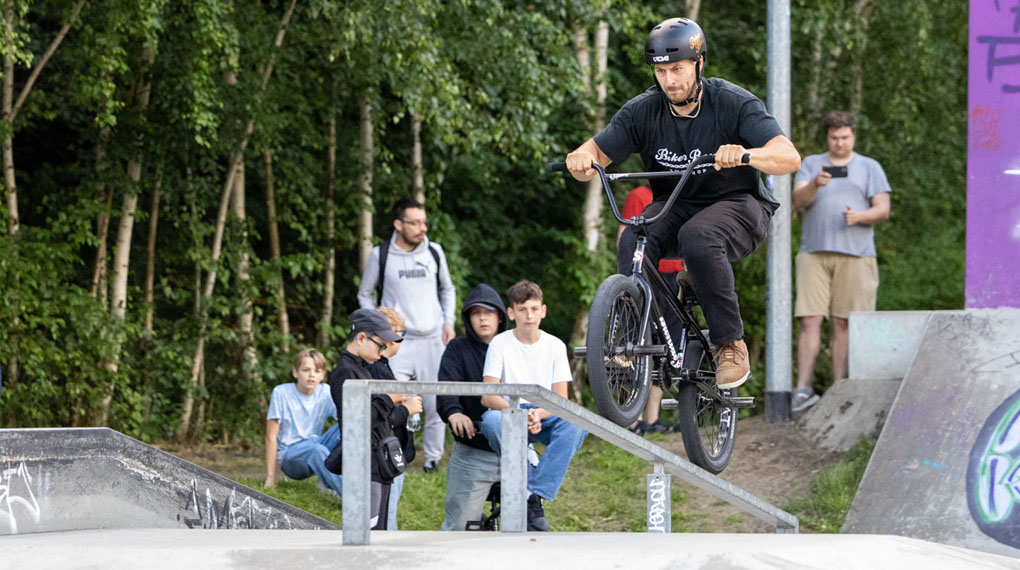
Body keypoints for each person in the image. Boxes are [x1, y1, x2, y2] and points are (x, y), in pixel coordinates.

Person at [564, 17, 801, 389]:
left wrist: (746, 155)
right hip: (675, 204)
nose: (669, 80)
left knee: (698, 236)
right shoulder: (643, 110)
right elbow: (594, 154)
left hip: (739, 205)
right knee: (633, 238)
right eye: (661, 71)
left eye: (677, 69)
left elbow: (789, 157)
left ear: (699, 63)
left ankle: (730, 344)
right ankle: (637, 341)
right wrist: (581, 158)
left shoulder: (733, 102)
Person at [791, 111, 891, 412]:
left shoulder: (869, 167)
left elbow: (883, 209)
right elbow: (798, 200)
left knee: (845, 322)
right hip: (814, 252)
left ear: (853, 136)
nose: (839, 143)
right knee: (809, 320)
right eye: (834, 137)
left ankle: (840, 389)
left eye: (845, 137)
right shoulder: (811, 163)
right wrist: (815, 185)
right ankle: (802, 390)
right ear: (828, 137)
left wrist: (859, 217)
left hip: (856, 254)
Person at [479, 280, 588, 532]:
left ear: (543, 311)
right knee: (492, 422)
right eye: (522, 310)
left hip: (545, 411)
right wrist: (520, 414)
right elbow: (488, 396)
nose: (529, 315)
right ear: (511, 313)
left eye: (534, 309)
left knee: (577, 424)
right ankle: (531, 498)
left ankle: (533, 491)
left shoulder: (555, 345)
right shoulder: (500, 343)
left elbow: (560, 398)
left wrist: (537, 413)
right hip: (508, 410)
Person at [357, 198, 456, 472]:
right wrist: (377, 326)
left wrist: (448, 321)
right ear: (398, 224)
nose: (422, 228)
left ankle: (433, 460)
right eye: (415, 223)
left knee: (434, 402)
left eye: (424, 222)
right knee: (393, 398)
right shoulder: (381, 254)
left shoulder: (434, 252)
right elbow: (364, 293)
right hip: (396, 342)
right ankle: (394, 453)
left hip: (433, 338)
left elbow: (448, 289)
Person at [328, 307, 412, 529]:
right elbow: (356, 420)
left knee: (379, 530)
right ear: (361, 338)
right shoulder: (347, 372)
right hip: (364, 464)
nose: (383, 351)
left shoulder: (362, 368)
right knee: (369, 529)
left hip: (378, 461)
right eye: (380, 345)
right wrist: (389, 399)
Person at [436, 283, 508, 531]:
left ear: (500, 317)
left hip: (516, 448)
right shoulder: (457, 348)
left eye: (488, 312)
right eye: (476, 313)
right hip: (473, 449)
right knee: (459, 527)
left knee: (529, 528)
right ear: (468, 318)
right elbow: (446, 385)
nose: (482, 318)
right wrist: (453, 412)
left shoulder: (515, 345)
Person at [619, 186, 685, 435]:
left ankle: (653, 418)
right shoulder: (639, 195)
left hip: (674, 276)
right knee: (638, 339)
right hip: (647, 272)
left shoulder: (682, 195)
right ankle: (633, 418)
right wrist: (626, 276)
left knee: (667, 344)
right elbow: (625, 234)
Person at [366, 307, 423, 530]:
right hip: (384, 454)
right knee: (384, 517)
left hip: (388, 451)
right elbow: (382, 417)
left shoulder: (380, 366)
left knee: (385, 514)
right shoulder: (376, 369)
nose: (398, 340)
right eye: (398, 334)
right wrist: (407, 409)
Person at [264, 349, 343, 495]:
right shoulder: (281, 393)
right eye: (306, 370)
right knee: (317, 450)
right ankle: (352, 498)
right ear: (295, 372)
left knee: (345, 427)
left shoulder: (325, 392)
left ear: (322, 375)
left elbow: (345, 419)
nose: (311, 375)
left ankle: (328, 481)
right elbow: (271, 437)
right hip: (290, 456)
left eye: (317, 371)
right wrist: (270, 478)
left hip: (315, 443)